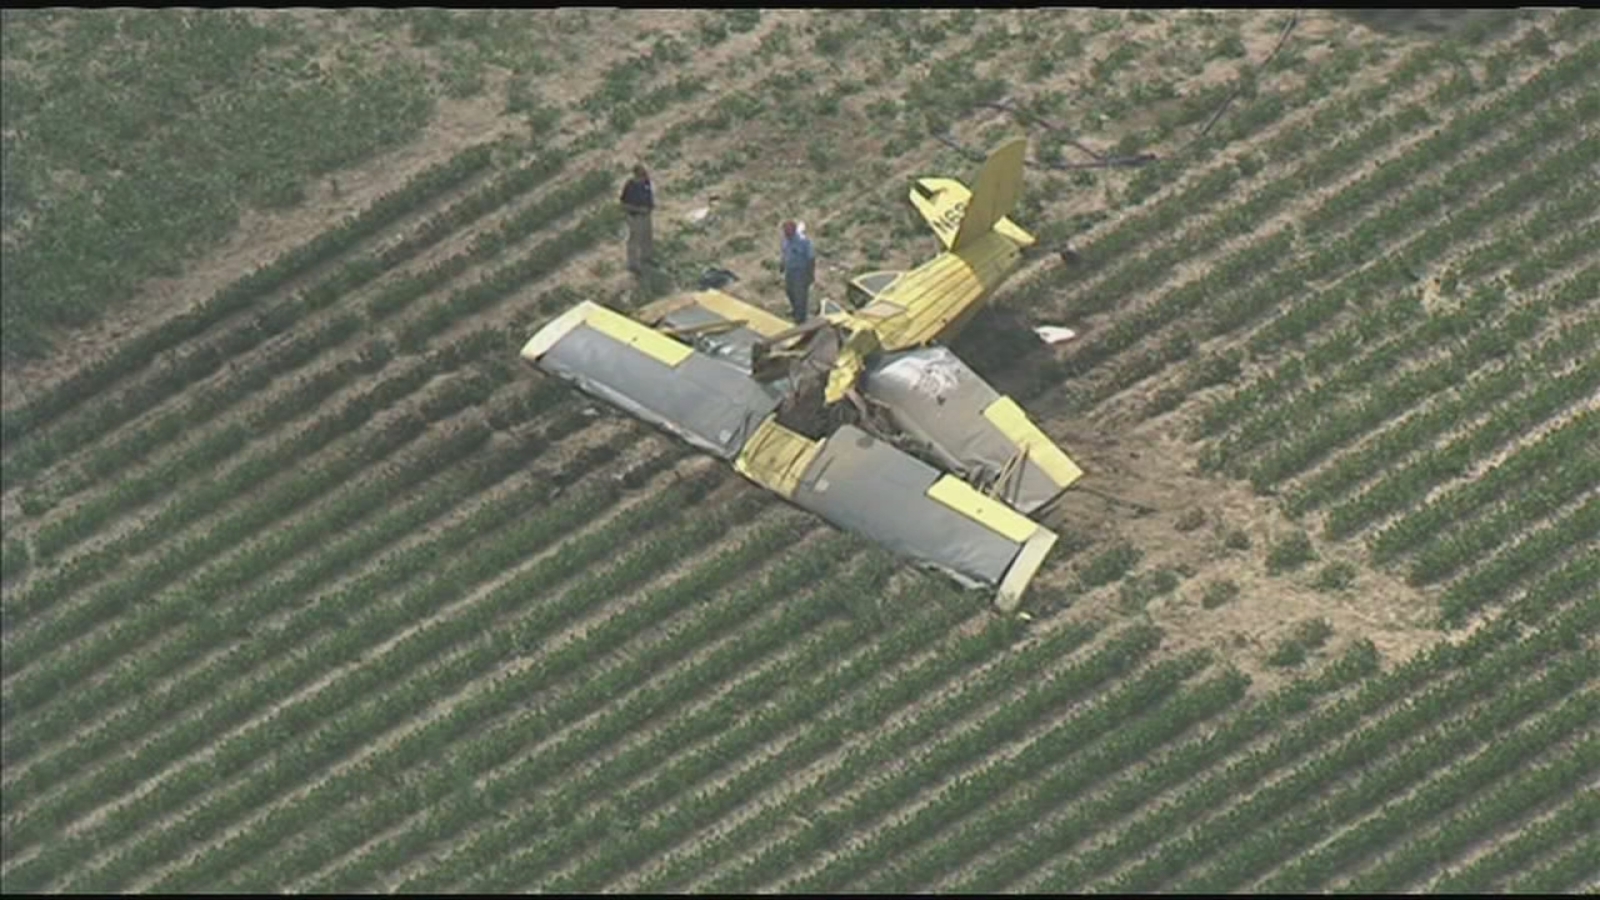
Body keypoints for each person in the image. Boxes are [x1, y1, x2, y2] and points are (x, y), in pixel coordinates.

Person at [620, 164, 654, 273]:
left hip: (646, 215)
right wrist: (639, 209)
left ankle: (646, 258)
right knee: (634, 240)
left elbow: (649, 195)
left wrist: (650, 207)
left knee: (647, 237)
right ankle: (632, 264)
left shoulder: (646, 183)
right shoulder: (630, 186)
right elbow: (624, 204)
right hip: (634, 217)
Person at [779, 220, 815, 324]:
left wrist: (810, 274)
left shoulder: (804, 241)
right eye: (785, 231)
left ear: (794, 230)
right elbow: (785, 254)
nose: (786, 233)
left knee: (800, 295)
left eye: (788, 231)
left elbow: (811, 258)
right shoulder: (785, 241)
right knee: (790, 292)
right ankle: (796, 310)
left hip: (801, 272)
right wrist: (782, 265)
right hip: (790, 271)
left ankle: (800, 319)